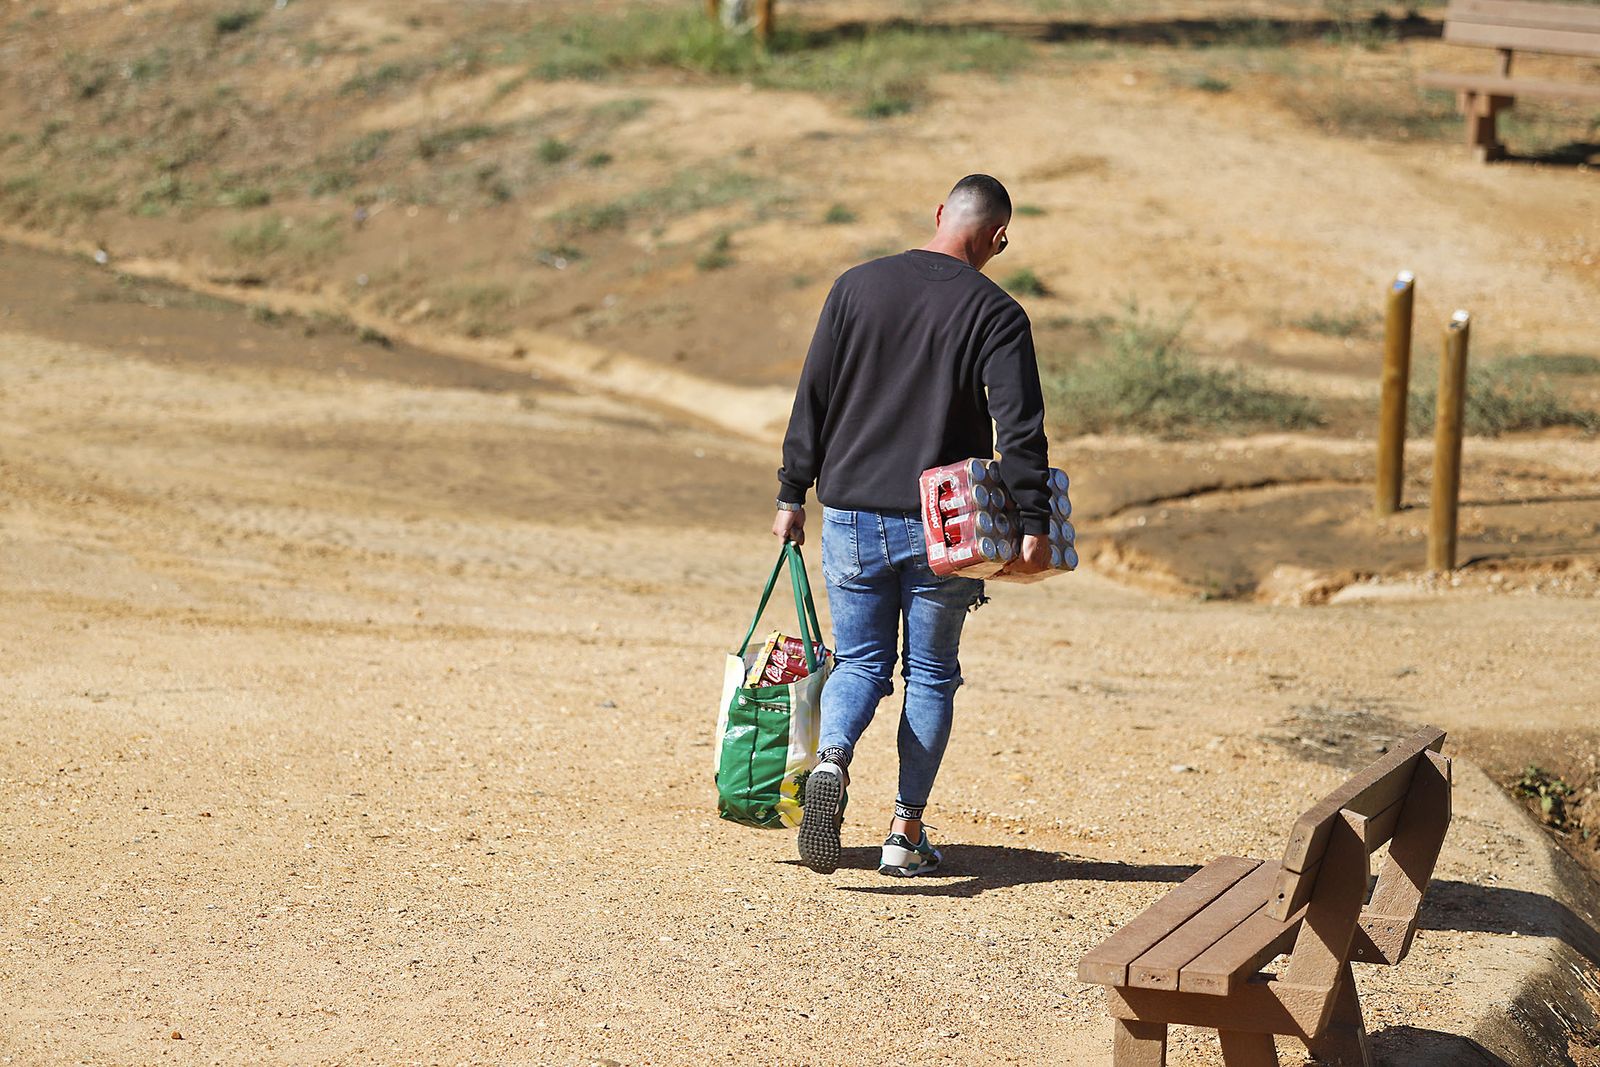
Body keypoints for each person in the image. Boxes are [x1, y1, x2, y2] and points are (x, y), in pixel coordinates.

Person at [771, 173, 1052, 877]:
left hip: (852, 511)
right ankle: (904, 830)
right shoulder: (997, 312)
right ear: (999, 239)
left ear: (937, 215)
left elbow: (815, 393)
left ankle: (831, 757)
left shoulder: (855, 286)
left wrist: (790, 491)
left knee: (860, 661)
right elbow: (1020, 428)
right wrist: (1033, 520)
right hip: (946, 523)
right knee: (929, 674)